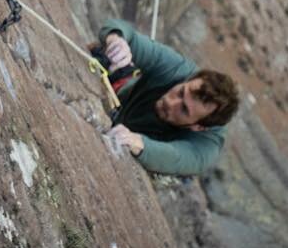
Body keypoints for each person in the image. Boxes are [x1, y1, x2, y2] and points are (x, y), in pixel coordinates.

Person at [93, 18, 239, 177]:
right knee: (104, 56)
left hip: (147, 141)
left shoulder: (206, 145)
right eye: (181, 92)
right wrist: (117, 40)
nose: (171, 102)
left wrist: (140, 144)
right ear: (187, 81)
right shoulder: (178, 70)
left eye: (184, 109)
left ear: (198, 127)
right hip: (122, 95)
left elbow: (179, 157)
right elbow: (127, 33)